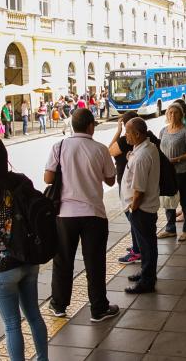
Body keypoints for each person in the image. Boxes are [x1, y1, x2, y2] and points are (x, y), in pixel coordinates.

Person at [0, 135, 48, 361]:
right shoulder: (21, 180)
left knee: (12, 324)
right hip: (29, 259)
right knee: (34, 316)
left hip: (4, 267)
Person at [44, 108, 119, 322]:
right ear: (90, 126)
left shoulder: (59, 146)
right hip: (93, 214)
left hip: (65, 215)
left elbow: (48, 178)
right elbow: (111, 180)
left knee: (63, 261)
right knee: (95, 262)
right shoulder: (100, 149)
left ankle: (58, 305)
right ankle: (98, 309)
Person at [121, 117, 160, 294]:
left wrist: (133, 208)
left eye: (127, 132)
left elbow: (139, 191)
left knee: (147, 245)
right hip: (144, 208)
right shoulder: (146, 147)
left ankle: (147, 281)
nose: (125, 135)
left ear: (137, 134)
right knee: (146, 244)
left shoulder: (143, 156)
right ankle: (147, 272)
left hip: (142, 209)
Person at [109, 112, 146, 264]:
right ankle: (137, 247)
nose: (124, 131)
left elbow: (109, 150)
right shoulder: (142, 139)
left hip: (127, 182)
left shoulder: (125, 140)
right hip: (130, 180)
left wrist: (117, 131)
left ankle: (138, 251)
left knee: (132, 217)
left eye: (124, 126)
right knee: (134, 218)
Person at [157, 103, 186, 241]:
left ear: (181, 115)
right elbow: (159, 149)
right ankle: (170, 229)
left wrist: (178, 159)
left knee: (185, 200)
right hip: (168, 172)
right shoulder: (163, 131)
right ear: (167, 115)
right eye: (170, 112)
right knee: (168, 200)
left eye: (175, 112)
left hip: (183, 171)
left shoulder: (185, 131)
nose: (172, 115)